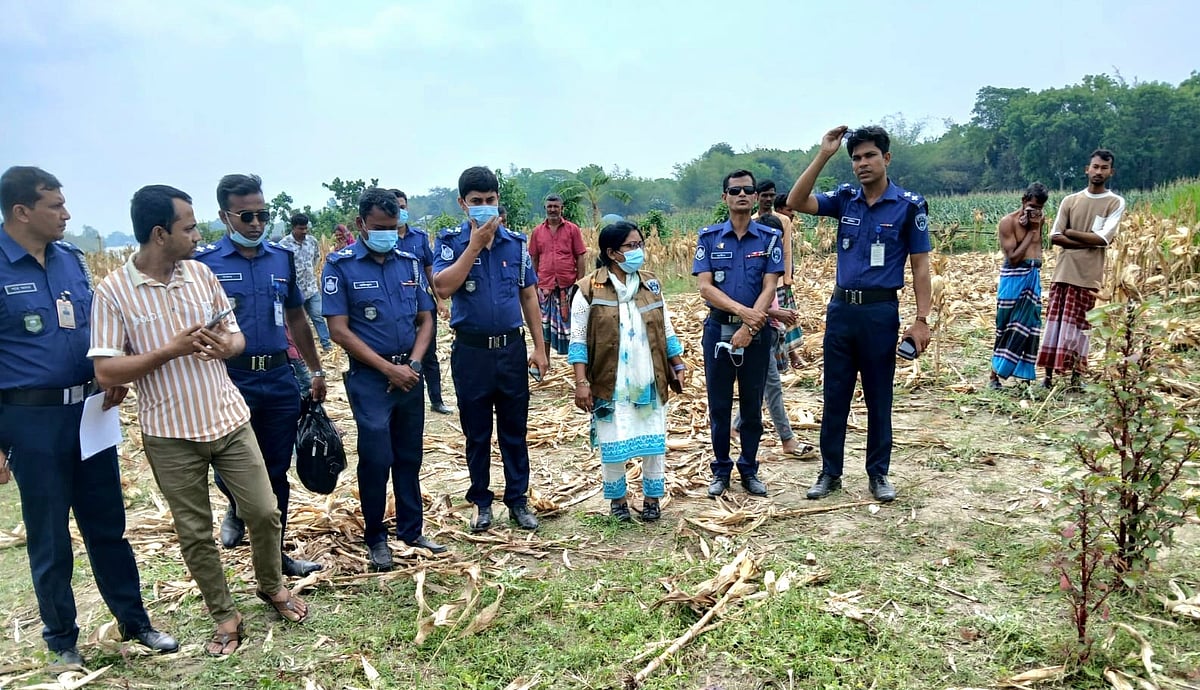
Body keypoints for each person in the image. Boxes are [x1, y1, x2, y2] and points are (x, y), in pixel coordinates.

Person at [89, 184, 308, 657]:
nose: (197, 233)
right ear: (159, 233)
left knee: (264, 511)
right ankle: (223, 614)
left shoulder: (202, 276)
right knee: (195, 532)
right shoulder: (113, 293)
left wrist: (227, 345)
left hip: (227, 417)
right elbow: (105, 369)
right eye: (188, 227)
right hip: (169, 432)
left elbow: (236, 339)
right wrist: (170, 349)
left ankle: (270, 585)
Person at [0, 167, 177, 669]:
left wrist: (112, 365)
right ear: (22, 211)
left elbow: (94, 329)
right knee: (50, 534)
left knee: (108, 524)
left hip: (89, 412)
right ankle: (61, 639)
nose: (66, 213)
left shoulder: (71, 261)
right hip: (29, 419)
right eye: (55, 205)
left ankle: (135, 621)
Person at [786, 125, 932, 503]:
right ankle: (829, 472)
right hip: (841, 311)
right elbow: (797, 200)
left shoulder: (910, 205)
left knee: (878, 395)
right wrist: (824, 154)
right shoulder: (846, 199)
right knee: (835, 394)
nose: (862, 164)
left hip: (880, 312)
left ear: (886, 158)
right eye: (856, 158)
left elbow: (920, 266)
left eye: (869, 156)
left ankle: (878, 474)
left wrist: (922, 319)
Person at [194, 174, 326, 578]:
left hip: (278, 377)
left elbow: (296, 317)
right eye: (246, 215)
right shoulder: (204, 265)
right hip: (228, 379)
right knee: (229, 461)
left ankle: (275, 556)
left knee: (276, 468)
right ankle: (235, 505)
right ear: (225, 216)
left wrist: (315, 370)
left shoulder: (279, 258)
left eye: (262, 215)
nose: (256, 223)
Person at [323, 188, 444, 570]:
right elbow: (339, 330)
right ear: (361, 224)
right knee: (376, 459)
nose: (388, 234)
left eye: (393, 227)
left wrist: (413, 364)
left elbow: (426, 318)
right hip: (371, 379)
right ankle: (376, 536)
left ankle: (412, 529)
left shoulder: (409, 264)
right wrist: (387, 368)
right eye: (379, 227)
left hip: (410, 374)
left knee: (409, 456)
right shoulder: (340, 266)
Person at [432, 166, 548, 532]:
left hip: (510, 350)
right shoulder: (449, 242)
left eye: (490, 200)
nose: (484, 207)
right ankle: (481, 502)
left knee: (514, 430)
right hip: (471, 353)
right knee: (477, 432)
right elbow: (443, 286)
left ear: (499, 201)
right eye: (476, 202)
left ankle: (518, 499)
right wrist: (475, 245)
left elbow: (528, 295)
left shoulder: (515, 243)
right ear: (463, 204)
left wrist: (540, 348)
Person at [568, 221, 687, 522]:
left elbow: (666, 327)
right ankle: (618, 501)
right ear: (611, 253)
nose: (639, 251)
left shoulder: (650, 284)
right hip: (611, 380)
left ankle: (651, 499)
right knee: (613, 438)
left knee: (652, 438)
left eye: (640, 244)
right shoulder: (587, 290)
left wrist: (677, 364)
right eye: (631, 246)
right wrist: (582, 383)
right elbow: (578, 340)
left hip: (648, 376)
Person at [693, 169, 784, 499]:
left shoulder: (769, 238)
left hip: (756, 334)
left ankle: (749, 468)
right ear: (725, 197)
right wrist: (742, 313)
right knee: (718, 407)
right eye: (735, 191)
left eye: (748, 190)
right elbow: (705, 287)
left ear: (756, 195)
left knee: (750, 406)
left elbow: (769, 284)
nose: (742, 195)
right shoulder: (709, 238)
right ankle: (721, 470)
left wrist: (749, 324)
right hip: (718, 328)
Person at [1036, 150, 1125, 389]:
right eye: (1095, 167)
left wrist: (1072, 233)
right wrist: (1088, 239)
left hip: (1089, 277)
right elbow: (1055, 236)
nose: (1098, 172)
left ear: (1111, 172)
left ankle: (1075, 376)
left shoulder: (1115, 202)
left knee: (1080, 328)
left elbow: (1104, 239)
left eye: (1104, 168)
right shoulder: (1070, 200)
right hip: (1063, 273)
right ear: (1087, 169)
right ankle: (1048, 377)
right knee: (1054, 325)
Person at [731, 213, 809, 457]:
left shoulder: (770, 263)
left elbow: (770, 295)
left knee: (760, 386)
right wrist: (776, 314)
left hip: (771, 332)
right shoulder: (749, 264)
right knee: (771, 387)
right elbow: (750, 303)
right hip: (757, 331)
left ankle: (734, 427)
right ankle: (787, 439)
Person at [389, 189, 452, 415]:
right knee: (405, 352)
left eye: (403, 206)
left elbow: (429, 270)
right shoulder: (385, 238)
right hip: (396, 307)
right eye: (395, 207)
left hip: (422, 304)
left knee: (429, 355)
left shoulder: (420, 238)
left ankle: (436, 400)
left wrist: (439, 300)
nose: (400, 211)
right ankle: (408, 402)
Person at [990, 183, 1049, 389]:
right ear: (1024, 201)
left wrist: (1036, 229)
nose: (1035, 211)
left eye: (1039, 208)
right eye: (1032, 206)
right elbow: (1013, 257)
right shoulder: (1008, 222)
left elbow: (1038, 247)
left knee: (1031, 327)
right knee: (1004, 324)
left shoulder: (1040, 221)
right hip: (1014, 277)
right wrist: (1032, 232)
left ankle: (1024, 376)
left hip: (1033, 276)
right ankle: (994, 376)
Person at [529, 194, 587, 361]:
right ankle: (544, 362)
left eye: (556, 206)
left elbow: (580, 256)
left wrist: (580, 284)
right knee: (544, 327)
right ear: (545, 208)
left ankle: (577, 364)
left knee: (574, 328)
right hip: (545, 286)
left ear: (562, 208)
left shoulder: (572, 229)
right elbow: (534, 258)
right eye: (549, 206)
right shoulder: (537, 232)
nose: (552, 209)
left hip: (567, 286)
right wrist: (534, 284)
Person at [755, 180, 804, 370]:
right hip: (761, 278)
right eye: (764, 195)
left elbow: (787, 250)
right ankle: (775, 358)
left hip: (780, 278)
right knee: (770, 318)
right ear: (756, 197)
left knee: (787, 317)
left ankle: (792, 354)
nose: (768, 199)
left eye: (771, 195)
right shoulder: (751, 221)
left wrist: (787, 277)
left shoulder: (783, 220)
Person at [278, 212, 333, 351]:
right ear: (293, 228)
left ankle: (326, 345)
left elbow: (316, 258)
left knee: (319, 316)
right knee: (298, 322)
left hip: (311, 288)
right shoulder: (284, 245)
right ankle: (298, 349)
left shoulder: (312, 241)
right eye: (300, 228)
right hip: (295, 291)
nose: (304, 231)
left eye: (305, 228)